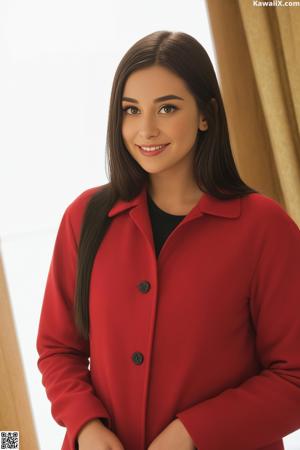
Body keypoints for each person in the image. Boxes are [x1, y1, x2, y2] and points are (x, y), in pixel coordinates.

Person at [36, 30, 300, 450]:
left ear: (205, 114)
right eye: (131, 110)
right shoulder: (84, 218)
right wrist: (86, 426)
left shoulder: (264, 228)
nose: (146, 129)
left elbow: (294, 377)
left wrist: (192, 433)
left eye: (167, 108)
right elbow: (57, 349)